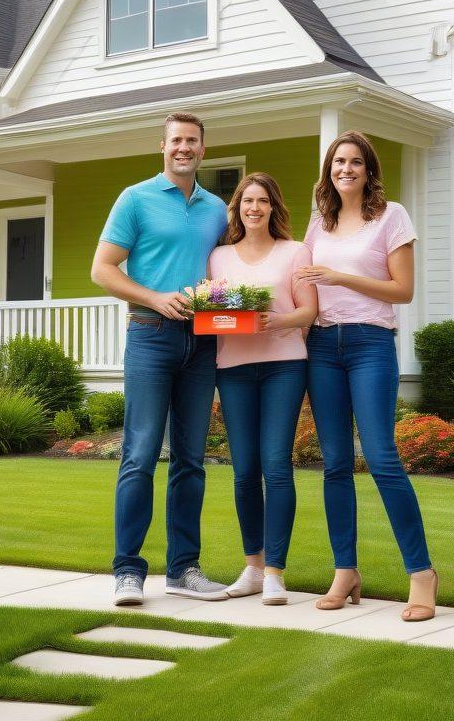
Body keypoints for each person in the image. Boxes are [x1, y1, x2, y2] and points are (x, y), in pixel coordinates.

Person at [297, 131, 438, 621]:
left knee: (381, 457)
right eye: (338, 162)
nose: (346, 169)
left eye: (355, 162)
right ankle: (345, 571)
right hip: (322, 345)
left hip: (369, 344)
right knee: (334, 463)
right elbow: (302, 284)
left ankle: (421, 574)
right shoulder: (320, 223)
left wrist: (340, 278)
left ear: (369, 170)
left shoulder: (391, 216)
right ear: (328, 171)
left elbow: (403, 291)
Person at [92, 112, 229, 607]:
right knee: (141, 454)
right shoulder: (136, 198)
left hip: (202, 342)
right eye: (176, 141)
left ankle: (183, 569)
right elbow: (102, 269)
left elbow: (228, 268)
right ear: (163, 147)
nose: (184, 148)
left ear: (203, 150)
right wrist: (154, 298)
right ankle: (127, 570)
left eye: (192, 141)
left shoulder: (217, 209)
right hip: (151, 336)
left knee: (191, 459)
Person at [208, 173, 316, 606]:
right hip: (232, 367)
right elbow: (212, 308)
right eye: (247, 201)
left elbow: (309, 309)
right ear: (237, 208)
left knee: (276, 465)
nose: (255, 208)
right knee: (243, 470)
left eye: (263, 201)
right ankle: (252, 566)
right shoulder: (217, 257)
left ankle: (275, 573)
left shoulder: (295, 251)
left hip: (284, 366)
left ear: (274, 208)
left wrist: (278, 320)